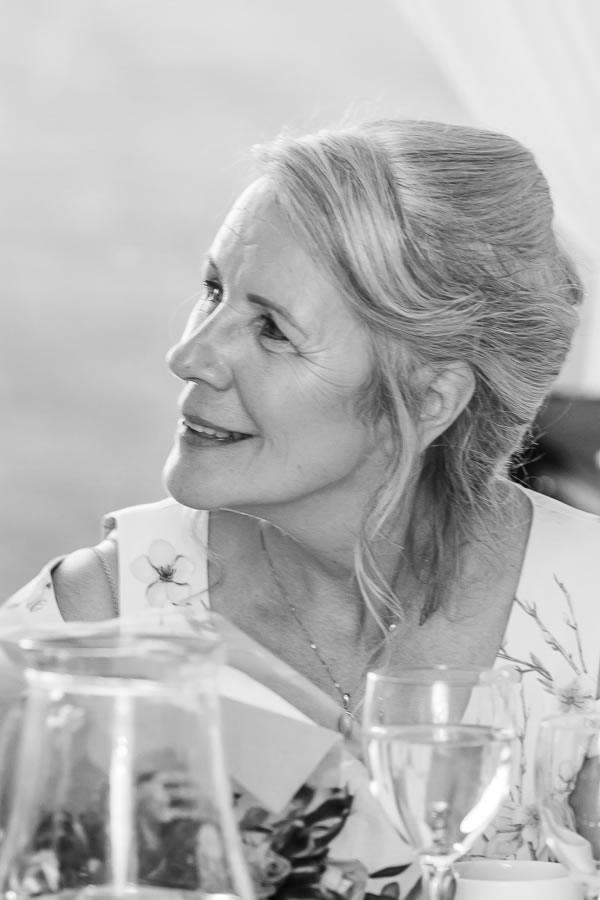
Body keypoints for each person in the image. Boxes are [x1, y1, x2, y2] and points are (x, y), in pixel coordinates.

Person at [4, 118, 600, 898]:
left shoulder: (586, 620)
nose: (189, 356)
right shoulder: (98, 624)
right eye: (213, 291)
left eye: (273, 331)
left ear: (429, 398)